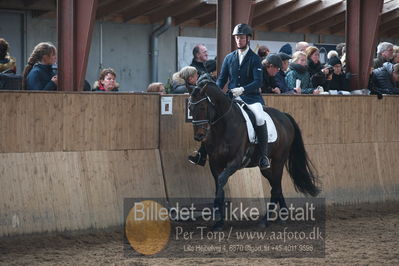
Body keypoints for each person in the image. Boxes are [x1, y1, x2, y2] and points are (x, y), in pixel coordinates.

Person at [216, 23, 270, 169]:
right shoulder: (229, 58)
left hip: (251, 98)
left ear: (248, 39)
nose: (239, 40)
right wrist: (214, 91)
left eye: (242, 38)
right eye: (237, 38)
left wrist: (243, 89)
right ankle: (202, 152)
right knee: (215, 115)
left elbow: (258, 82)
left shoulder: (254, 59)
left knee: (259, 117)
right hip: (232, 98)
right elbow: (222, 79)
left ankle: (264, 156)